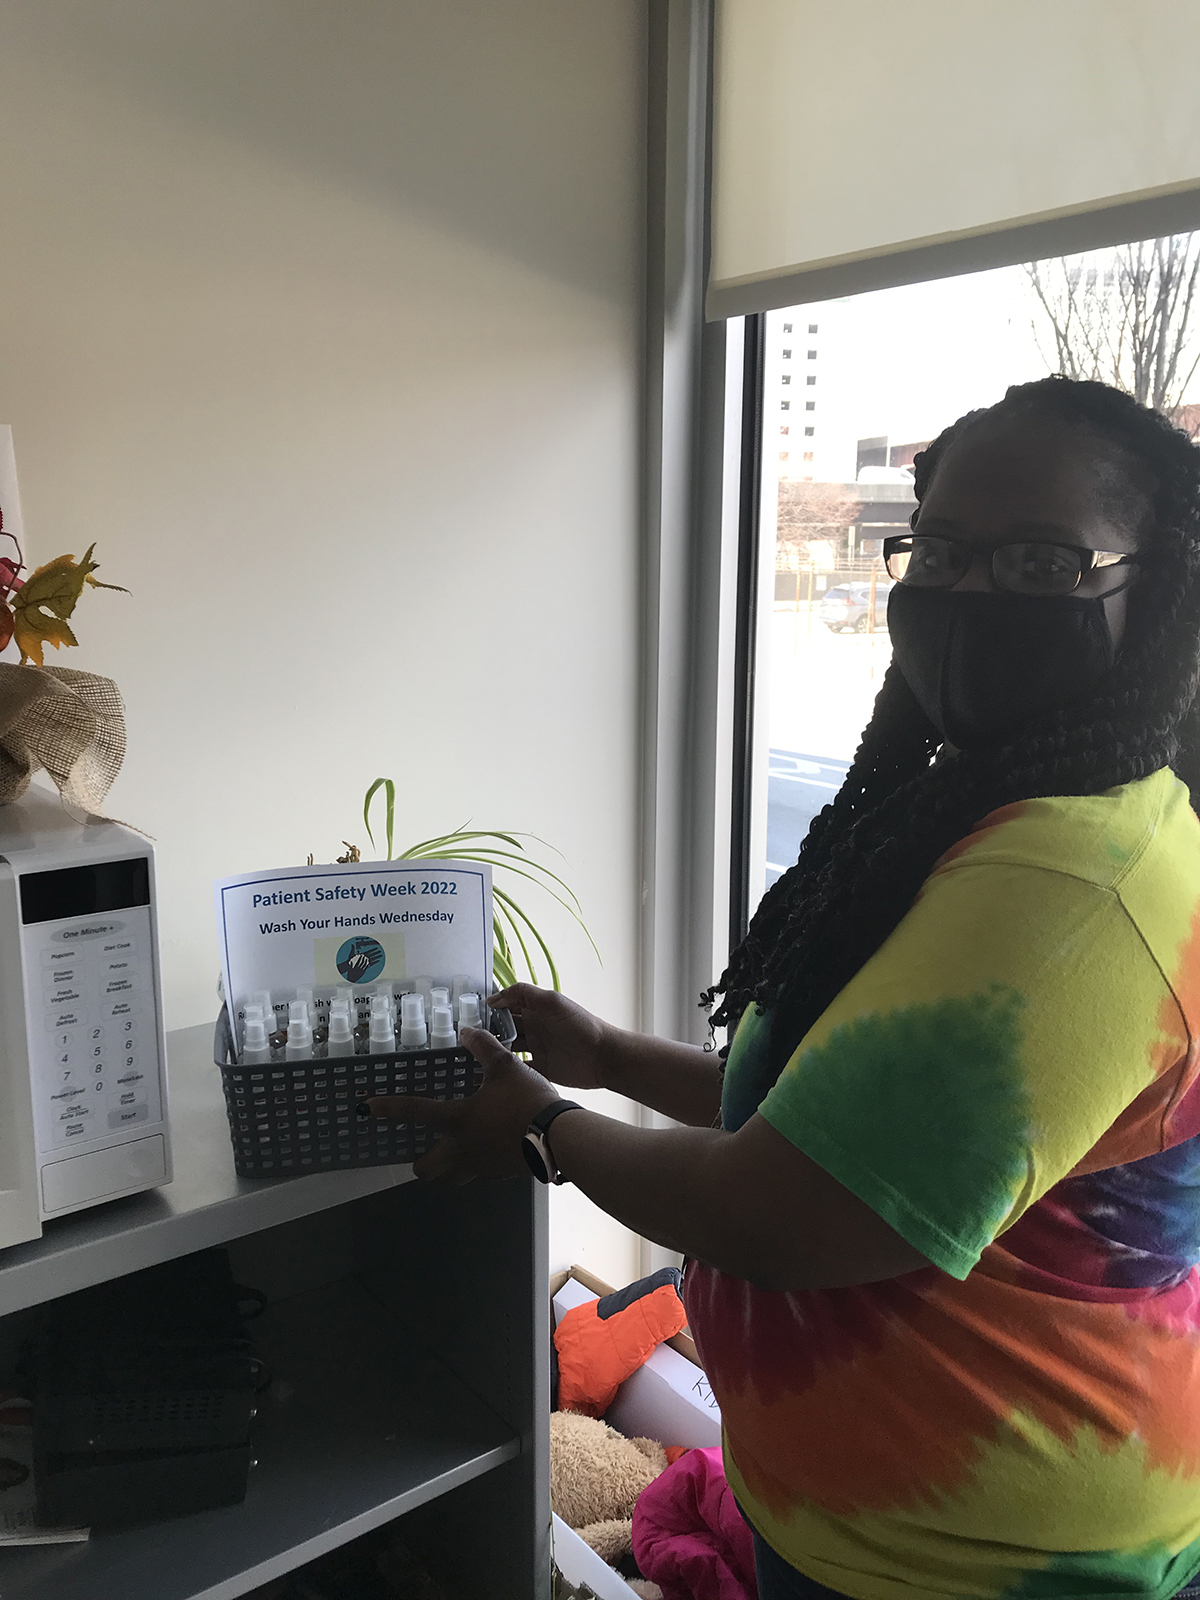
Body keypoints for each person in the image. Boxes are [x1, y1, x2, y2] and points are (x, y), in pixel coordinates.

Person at [370, 376, 1200, 1600]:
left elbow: (783, 1213)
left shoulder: (1077, 885)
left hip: (994, 1566)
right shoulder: (977, 817)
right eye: (942, 554)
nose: (970, 596)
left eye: (1040, 563)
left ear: (1156, 590)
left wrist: (544, 1125)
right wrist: (607, 1055)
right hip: (852, 1529)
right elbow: (836, 1121)